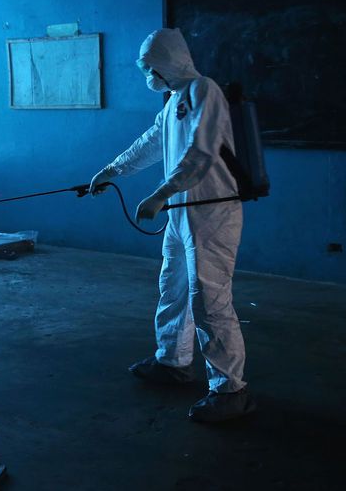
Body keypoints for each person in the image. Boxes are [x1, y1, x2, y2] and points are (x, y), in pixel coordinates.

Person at [89, 29, 255, 422]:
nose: (147, 73)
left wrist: (160, 193)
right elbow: (151, 142)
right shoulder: (174, 99)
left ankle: (231, 390)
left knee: (210, 300)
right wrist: (112, 170)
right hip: (182, 211)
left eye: (150, 66)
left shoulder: (204, 90)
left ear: (168, 62)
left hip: (212, 212)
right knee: (173, 288)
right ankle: (173, 361)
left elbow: (201, 152)